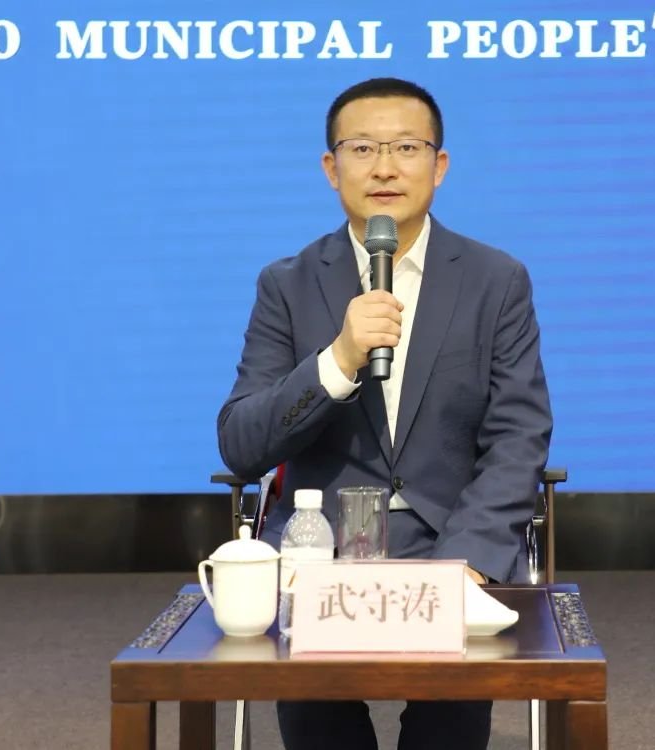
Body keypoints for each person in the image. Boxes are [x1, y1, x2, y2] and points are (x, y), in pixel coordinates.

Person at [217, 77, 552, 750]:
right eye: (363, 148)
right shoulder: (287, 284)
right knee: (318, 721)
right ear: (331, 167)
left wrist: (468, 561)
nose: (385, 168)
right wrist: (337, 360)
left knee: (449, 724)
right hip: (318, 550)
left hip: (452, 542)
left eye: (406, 147)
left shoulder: (495, 280)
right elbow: (242, 444)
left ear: (440, 164)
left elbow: (519, 435)